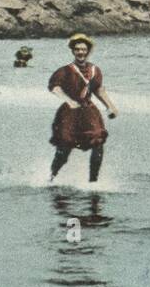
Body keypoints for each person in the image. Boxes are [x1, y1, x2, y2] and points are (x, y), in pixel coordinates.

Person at [48, 34, 119, 184]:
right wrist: (69, 101)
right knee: (64, 149)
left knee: (98, 141)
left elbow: (99, 90)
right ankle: (51, 177)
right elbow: (55, 88)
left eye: (84, 49)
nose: (81, 52)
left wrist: (110, 106)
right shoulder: (65, 70)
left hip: (88, 111)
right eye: (77, 49)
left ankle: (93, 182)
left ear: (88, 51)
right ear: (73, 51)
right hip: (69, 113)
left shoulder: (95, 70)